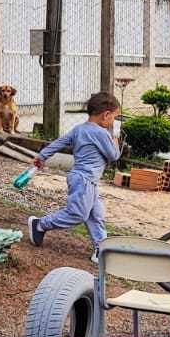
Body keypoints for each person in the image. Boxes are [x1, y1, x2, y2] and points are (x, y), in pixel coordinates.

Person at [26, 92, 123, 262]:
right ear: (106, 114)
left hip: (84, 179)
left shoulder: (79, 129)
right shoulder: (101, 133)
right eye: (114, 117)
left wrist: (42, 156)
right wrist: (116, 141)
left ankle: (101, 248)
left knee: (95, 215)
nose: (113, 122)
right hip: (85, 180)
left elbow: (59, 142)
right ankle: (40, 224)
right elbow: (113, 155)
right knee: (77, 214)